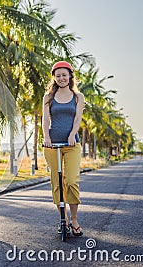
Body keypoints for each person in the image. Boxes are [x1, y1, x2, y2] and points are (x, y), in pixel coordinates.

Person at [42, 61, 85, 236]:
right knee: (57, 183)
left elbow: (78, 118)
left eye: (64, 75)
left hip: (71, 144)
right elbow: (45, 119)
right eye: (58, 75)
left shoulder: (78, 97)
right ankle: (63, 220)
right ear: (54, 77)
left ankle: (74, 218)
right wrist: (46, 137)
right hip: (52, 145)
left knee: (72, 181)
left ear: (70, 76)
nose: (61, 78)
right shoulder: (48, 97)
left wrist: (71, 134)